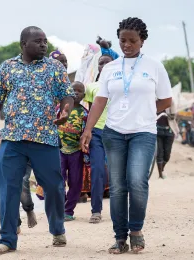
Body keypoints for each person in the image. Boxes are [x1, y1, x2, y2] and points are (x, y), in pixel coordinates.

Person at [0, 26, 74, 255]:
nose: (44, 45)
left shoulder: (55, 67)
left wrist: (66, 110)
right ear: (23, 44)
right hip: (13, 138)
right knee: (9, 188)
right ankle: (8, 239)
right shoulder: (7, 67)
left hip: (45, 138)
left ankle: (57, 228)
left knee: (53, 187)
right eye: (38, 41)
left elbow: (67, 94)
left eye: (45, 41)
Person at [80, 17, 172, 254]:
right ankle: (120, 237)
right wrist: (88, 129)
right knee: (119, 186)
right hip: (113, 133)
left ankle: (136, 231)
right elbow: (99, 101)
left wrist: (148, 113)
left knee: (137, 183)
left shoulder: (154, 66)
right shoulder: (110, 68)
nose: (127, 45)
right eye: (123, 40)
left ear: (142, 41)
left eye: (132, 40)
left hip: (143, 133)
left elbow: (166, 99)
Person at [83, 54, 114, 224]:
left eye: (107, 62)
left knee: (118, 171)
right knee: (97, 171)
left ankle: (122, 210)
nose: (103, 65)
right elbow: (89, 111)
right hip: (96, 133)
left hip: (116, 132)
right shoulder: (92, 87)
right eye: (100, 63)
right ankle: (96, 210)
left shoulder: (119, 85)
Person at [58, 81, 87, 221]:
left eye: (79, 91)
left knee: (75, 182)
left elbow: (87, 133)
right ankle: (60, 205)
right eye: (73, 90)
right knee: (58, 180)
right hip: (60, 150)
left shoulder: (84, 113)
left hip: (76, 152)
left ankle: (69, 210)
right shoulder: (59, 109)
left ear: (84, 95)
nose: (76, 93)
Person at [155, 111, 177, 179]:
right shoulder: (155, 101)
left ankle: (161, 170)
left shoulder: (171, 102)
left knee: (167, 155)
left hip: (169, 131)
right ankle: (160, 174)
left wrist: (167, 114)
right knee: (159, 153)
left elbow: (173, 115)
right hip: (157, 130)